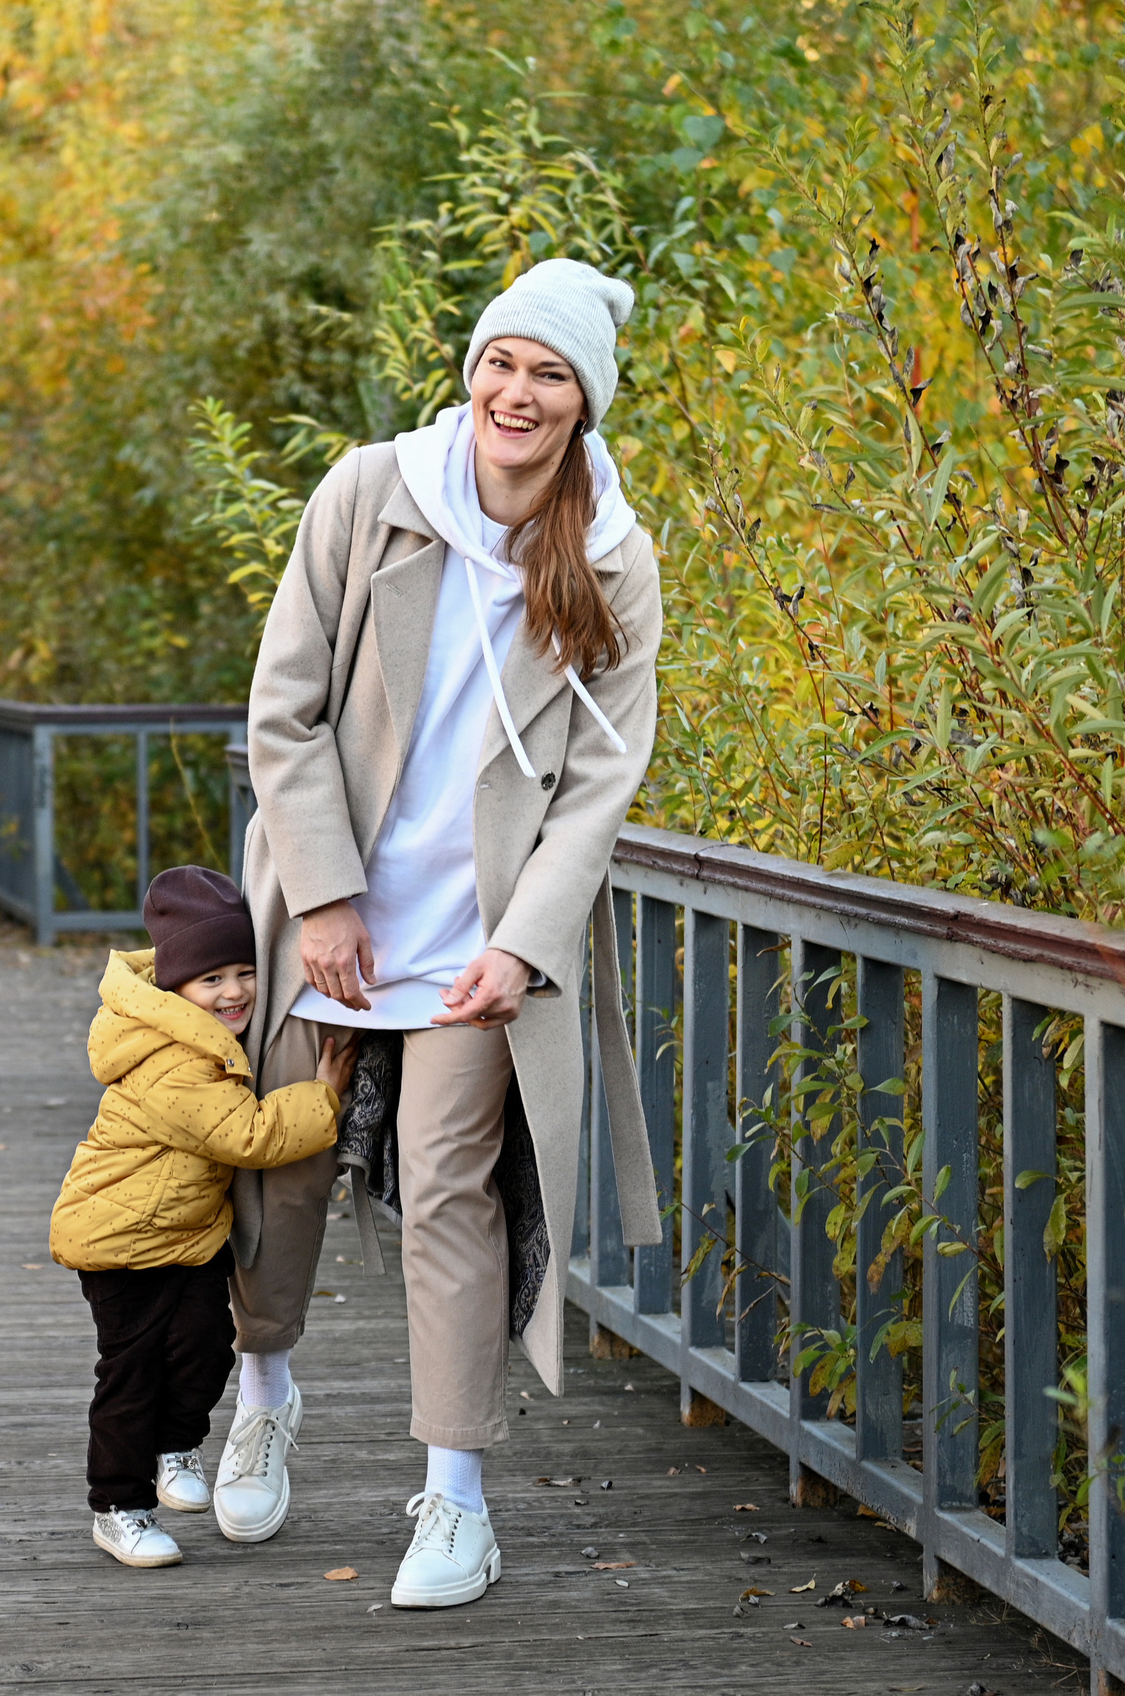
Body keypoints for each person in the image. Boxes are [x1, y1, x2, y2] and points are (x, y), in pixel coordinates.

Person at [221, 258, 667, 1607]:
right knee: (281, 1168)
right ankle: (262, 1387)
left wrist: (526, 942)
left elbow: (604, 779)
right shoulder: (373, 494)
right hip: (334, 902)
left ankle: (455, 1498)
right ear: (470, 369)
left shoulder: (610, 559)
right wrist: (327, 893)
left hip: (481, 936)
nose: (516, 392)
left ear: (585, 401)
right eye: (501, 362)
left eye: (550, 372)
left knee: (451, 1186)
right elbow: (283, 707)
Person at [49, 866, 356, 1568]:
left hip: (183, 1236)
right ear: (176, 988)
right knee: (131, 1374)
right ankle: (119, 1507)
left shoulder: (199, 1038)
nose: (236, 991)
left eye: (246, 972)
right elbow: (247, 1134)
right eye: (212, 979)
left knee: (206, 1343)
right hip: (118, 1243)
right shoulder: (172, 1061)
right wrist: (326, 1096)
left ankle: (173, 1447)